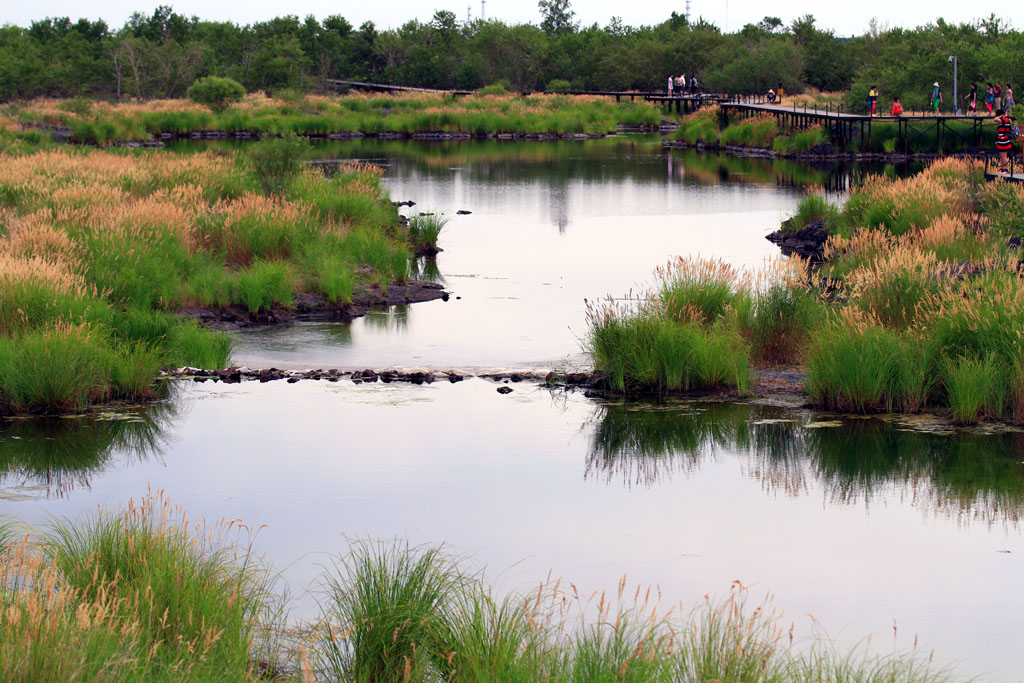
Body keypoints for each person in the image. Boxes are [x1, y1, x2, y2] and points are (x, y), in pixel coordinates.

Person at [994, 108, 1015, 174]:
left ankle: (1005, 169)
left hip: (1004, 141)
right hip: (1003, 141)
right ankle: (1001, 168)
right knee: (1002, 156)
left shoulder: (1003, 120)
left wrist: (1001, 116)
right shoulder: (1007, 120)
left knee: (1004, 156)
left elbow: (995, 119)